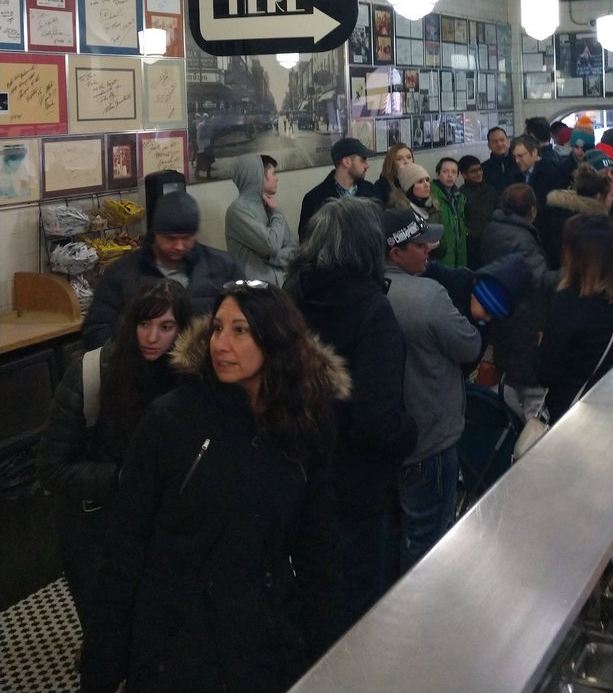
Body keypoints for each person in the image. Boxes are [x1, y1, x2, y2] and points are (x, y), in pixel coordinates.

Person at [79, 281, 348, 693]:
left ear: (275, 338)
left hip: (262, 642)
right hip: (176, 645)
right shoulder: (172, 421)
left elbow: (318, 551)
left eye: (240, 331)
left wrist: (329, 657)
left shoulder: (305, 425)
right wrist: (101, 671)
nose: (221, 344)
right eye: (218, 328)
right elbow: (125, 547)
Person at [284, 198, 418, 631]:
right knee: (364, 608)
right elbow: (376, 419)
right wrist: (409, 432)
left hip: (298, 475)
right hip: (358, 487)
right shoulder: (372, 312)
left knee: (315, 597)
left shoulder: (291, 296)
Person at [37, 280, 191, 633]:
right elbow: (50, 468)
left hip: (158, 526)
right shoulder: (91, 374)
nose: (152, 337)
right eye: (144, 324)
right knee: (105, 624)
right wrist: (121, 477)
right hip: (97, 527)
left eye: (166, 326)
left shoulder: (187, 379)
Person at [383, 209, 482, 571]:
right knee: (427, 543)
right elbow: (470, 346)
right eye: (419, 245)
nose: (429, 249)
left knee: (394, 535)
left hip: (386, 441)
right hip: (430, 442)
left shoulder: (365, 291)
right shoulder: (428, 297)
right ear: (395, 253)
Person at [81, 191, 240, 349]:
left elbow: (243, 318)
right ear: (155, 234)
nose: (179, 246)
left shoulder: (223, 267)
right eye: (171, 238)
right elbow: (96, 330)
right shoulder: (121, 274)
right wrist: (134, 351)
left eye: (186, 238)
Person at [535, 215, 613, 423]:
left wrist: (541, 344)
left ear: (575, 256)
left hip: (573, 415)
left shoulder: (567, 303)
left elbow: (545, 373)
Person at [480, 183, 559, 417]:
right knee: (533, 391)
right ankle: (533, 434)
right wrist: (572, 273)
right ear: (532, 210)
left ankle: (513, 427)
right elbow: (540, 279)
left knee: (511, 382)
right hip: (525, 320)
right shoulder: (522, 239)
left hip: (503, 316)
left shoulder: (494, 228)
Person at [225, 153, 294, 286]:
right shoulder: (238, 210)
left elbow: (293, 249)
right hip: (256, 292)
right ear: (259, 177)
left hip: (282, 287)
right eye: (273, 174)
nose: (277, 179)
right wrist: (277, 212)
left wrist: (269, 257)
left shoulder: (269, 205)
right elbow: (271, 245)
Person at [298, 137, 376, 234]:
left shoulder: (371, 191)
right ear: (346, 162)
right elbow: (307, 239)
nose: (367, 165)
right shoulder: (314, 199)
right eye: (362, 160)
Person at [458, 154, 498, 267]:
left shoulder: (490, 190)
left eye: (480, 169)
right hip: (472, 247)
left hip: (492, 241)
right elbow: (459, 221)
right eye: (473, 171)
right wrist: (469, 234)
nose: (479, 173)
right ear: (464, 174)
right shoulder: (460, 195)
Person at [430, 156, 468, 267]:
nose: (450, 175)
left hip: (458, 253)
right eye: (445, 171)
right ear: (438, 174)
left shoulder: (459, 197)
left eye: (454, 172)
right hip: (440, 255)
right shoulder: (431, 196)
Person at [389, 162, 442, 226]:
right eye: (420, 182)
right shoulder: (399, 213)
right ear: (409, 187)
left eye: (427, 180)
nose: (427, 185)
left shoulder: (436, 206)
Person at [482, 126, 522, 194]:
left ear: (508, 141)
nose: (499, 144)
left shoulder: (520, 162)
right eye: (495, 142)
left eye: (502, 140)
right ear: (489, 145)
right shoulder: (483, 169)